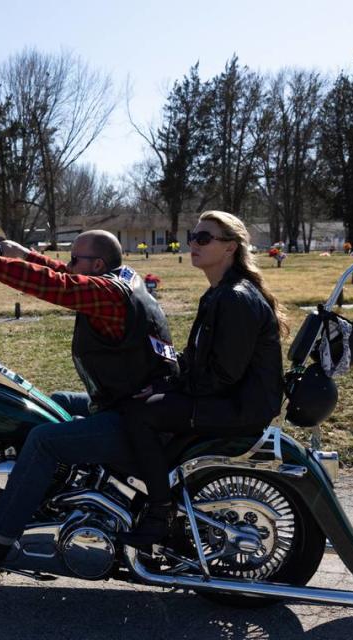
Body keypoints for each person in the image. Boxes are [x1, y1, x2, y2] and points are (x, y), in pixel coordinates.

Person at [0, 230, 179, 565]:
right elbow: (66, 275)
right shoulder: (124, 278)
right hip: (132, 402)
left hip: (134, 419)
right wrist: (23, 254)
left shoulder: (109, 295)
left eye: (76, 258)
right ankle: (41, 496)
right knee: (55, 401)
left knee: (43, 440)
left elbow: (58, 285)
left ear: (98, 264)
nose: (68, 263)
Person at [116, 210, 288, 549]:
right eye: (193, 236)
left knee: (141, 413)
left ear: (230, 248)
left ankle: (160, 511)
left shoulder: (235, 297)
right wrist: (163, 372)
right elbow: (200, 360)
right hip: (231, 398)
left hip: (240, 407)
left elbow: (224, 375)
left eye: (204, 238)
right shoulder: (221, 292)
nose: (194, 243)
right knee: (143, 400)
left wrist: (171, 387)